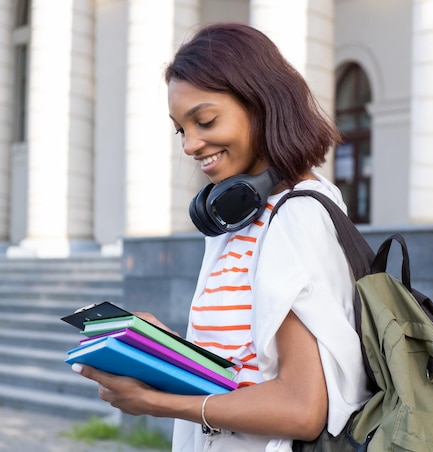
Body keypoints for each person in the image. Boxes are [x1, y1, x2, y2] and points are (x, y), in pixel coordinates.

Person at [71, 22, 371, 451]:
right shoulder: (243, 217)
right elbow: (246, 369)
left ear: (261, 103)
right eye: (181, 129)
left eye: (205, 120)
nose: (190, 144)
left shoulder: (295, 217)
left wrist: (158, 402)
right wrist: (165, 348)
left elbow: (302, 408)